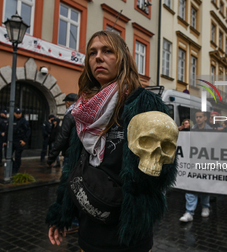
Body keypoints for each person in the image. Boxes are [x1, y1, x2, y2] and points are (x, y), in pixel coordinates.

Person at [46, 31, 177, 252]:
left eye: (108, 51)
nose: (98, 57)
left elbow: (163, 168)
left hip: (127, 232)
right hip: (90, 227)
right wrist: (61, 212)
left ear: (123, 57)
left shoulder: (145, 104)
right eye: (92, 53)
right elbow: (72, 166)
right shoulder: (83, 109)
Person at [47, 92, 78, 233]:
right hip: (82, 156)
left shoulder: (70, 114)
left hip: (71, 156)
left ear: (68, 102)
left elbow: (62, 137)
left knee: (68, 188)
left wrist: (51, 156)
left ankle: (73, 221)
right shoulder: (85, 111)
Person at [179, 111, 211, 222]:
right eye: (197, 117)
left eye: (200, 117)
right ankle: (189, 212)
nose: (198, 119)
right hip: (192, 162)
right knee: (190, 186)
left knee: (204, 186)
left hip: (205, 163)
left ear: (205, 118)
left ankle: (205, 206)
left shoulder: (210, 131)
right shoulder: (192, 130)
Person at [3, 108, 31, 174]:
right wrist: (4, 141)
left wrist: (24, 141)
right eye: (17, 113)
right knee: (7, 155)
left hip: (19, 141)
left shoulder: (24, 121)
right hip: (11, 141)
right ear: (14, 113)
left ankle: (15, 170)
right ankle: (12, 167)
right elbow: (6, 131)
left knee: (17, 157)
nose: (18, 115)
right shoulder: (11, 120)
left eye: (19, 113)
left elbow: (28, 131)